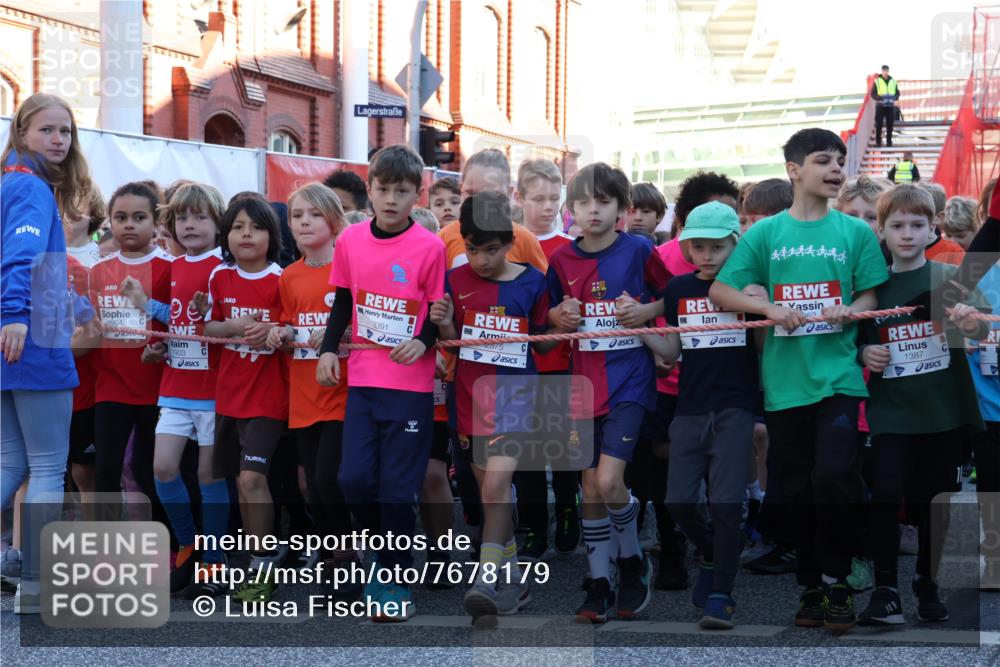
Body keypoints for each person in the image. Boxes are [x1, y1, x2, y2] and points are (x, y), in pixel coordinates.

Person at [709, 128, 889, 633]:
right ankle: (811, 585)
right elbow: (722, 293)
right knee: (794, 487)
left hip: (838, 379)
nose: (835, 170)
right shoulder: (766, 235)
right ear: (793, 170)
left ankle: (839, 579)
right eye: (822, 161)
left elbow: (872, 297)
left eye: (839, 161)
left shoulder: (855, 234)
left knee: (833, 474)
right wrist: (766, 306)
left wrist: (848, 311)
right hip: (785, 385)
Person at [316, 145, 447, 622]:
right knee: (352, 480)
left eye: (402, 191)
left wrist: (424, 340)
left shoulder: (430, 247)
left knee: (396, 488)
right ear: (368, 189)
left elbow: (437, 310)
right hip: (364, 381)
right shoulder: (350, 241)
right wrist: (329, 348)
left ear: (418, 194)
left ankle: (393, 574)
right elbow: (343, 303)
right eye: (383, 189)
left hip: (410, 386)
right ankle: (386, 553)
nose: (391, 199)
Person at [856, 184, 989, 626]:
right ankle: (886, 588)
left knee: (937, 503)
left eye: (917, 225)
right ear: (883, 229)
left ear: (933, 227)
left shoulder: (947, 279)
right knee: (886, 494)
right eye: (897, 225)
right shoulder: (872, 284)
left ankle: (927, 584)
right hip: (891, 410)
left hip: (943, 412)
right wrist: (864, 354)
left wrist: (969, 324)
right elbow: (854, 339)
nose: (908, 234)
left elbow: (980, 332)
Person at [547, 162, 672, 623]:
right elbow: (547, 317)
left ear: (622, 208)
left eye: (603, 202)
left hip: (629, 383)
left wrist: (646, 311)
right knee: (589, 487)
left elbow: (673, 295)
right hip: (581, 385)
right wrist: (560, 316)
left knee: (608, 481)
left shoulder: (639, 250)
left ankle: (634, 558)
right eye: (583, 202)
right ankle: (600, 578)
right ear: (571, 208)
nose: (592, 210)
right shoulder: (561, 259)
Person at [430, 192, 556, 621]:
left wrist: (564, 321)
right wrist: (444, 319)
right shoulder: (455, 280)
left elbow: (546, 342)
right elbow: (449, 341)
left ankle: (484, 577)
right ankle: (515, 580)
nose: (481, 259)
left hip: (517, 398)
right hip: (467, 397)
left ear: (510, 242)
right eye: (472, 249)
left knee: (495, 486)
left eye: (491, 249)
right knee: (490, 494)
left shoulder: (534, 283)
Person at [638, 201, 762, 629]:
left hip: (736, 407)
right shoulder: (676, 290)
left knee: (727, 503)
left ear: (735, 245)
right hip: (689, 407)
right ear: (686, 248)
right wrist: (641, 332)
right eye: (697, 247)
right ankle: (713, 552)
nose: (706, 255)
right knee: (678, 501)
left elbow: (765, 350)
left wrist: (762, 307)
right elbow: (672, 353)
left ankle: (722, 594)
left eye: (717, 247)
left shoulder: (749, 287)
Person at [1, 92, 96, 614]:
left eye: (66, 131)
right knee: (46, 468)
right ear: (21, 134)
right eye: (47, 131)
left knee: (11, 464)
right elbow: (21, 257)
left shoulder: (6, 185)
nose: (59, 140)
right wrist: (15, 314)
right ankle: (35, 587)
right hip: (31, 339)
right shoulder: (33, 189)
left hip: (15, 337)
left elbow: (42, 269)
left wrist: (81, 309)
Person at [120, 182, 230, 597]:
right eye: (182, 217)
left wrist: (211, 314)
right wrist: (144, 305)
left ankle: (216, 558)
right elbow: (175, 316)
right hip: (176, 386)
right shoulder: (176, 264)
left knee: (208, 473)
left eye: (199, 216)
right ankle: (188, 544)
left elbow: (226, 319)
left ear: (218, 223)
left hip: (216, 390)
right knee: (162, 468)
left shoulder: (224, 266)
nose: (189, 225)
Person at [266, 183, 360, 601]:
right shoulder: (290, 275)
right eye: (296, 215)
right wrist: (279, 332)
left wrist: (338, 334)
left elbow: (369, 323)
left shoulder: (351, 268)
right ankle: (335, 560)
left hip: (343, 393)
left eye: (313, 215)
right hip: (302, 396)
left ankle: (351, 563)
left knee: (329, 479)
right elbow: (286, 321)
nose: (303, 222)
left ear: (335, 221)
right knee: (312, 487)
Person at [202, 197, 289, 604]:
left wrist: (273, 330)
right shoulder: (219, 278)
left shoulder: (282, 278)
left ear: (272, 235)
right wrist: (234, 325)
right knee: (240, 482)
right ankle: (260, 554)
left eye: (255, 227)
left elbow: (292, 329)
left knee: (254, 479)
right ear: (226, 235)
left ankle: (263, 565)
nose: (246, 234)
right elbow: (209, 327)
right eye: (237, 227)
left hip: (270, 398)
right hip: (228, 397)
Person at [89, 182, 174, 535]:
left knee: (147, 469)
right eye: (120, 217)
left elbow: (182, 321)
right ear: (109, 221)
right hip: (110, 384)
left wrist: (164, 348)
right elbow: (90, 328)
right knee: (106, 468)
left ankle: (166, 544)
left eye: (139, 217)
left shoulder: (171, 267)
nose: (128, 225)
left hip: (157, 387)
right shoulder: (98, 270)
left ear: (156, 222)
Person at [511, 158, 580, 560]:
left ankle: (569, 509)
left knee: (566, 448)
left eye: (555, 198)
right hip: (520, 364)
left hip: (563, 364)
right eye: (538, 198)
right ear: (518, 198)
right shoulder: (507, 246)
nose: (548, 206)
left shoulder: (570, 251)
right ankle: (534, 525)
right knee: (528, 455)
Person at [439, 149, 547, 270]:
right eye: (472, 193)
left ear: (508, 193)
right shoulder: (442, 239)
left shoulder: (525, 241)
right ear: (461, 189)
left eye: (491, 195)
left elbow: (543, 286)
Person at [63, 184, 106, 268]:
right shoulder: (44, 247)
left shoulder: (100, 259)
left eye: (78, 204)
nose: (70, 210)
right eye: (66, 202)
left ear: (93, 212)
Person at [872, 65, 900, 147]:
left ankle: (889, 142)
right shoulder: (877, 81)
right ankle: (878, 142)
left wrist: (895, 97)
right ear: (882, 71)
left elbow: (897, 93)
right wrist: (880, 98)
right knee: (879, 124)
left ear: (888, 71)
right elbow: (873, 94)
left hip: (890, 106)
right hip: (880, 106)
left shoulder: (893, 81)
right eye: (884, 71)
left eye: (886, 71)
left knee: (890, 125)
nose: (885, 72)